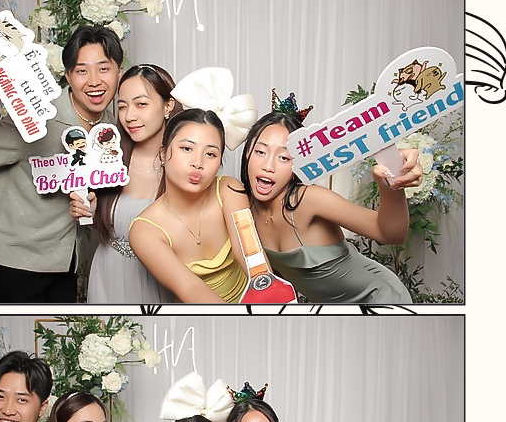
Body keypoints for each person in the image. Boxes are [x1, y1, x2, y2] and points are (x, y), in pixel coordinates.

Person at [0, 25, 124, 302]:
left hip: (64, 262)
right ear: (68, 75)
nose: (94, 81)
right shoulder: (37, 113)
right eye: (82, 71)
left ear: (119, 72)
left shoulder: (110, 126)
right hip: (10, 259)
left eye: (104, 69)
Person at [240, 111, 424, 312]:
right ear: (248, 152)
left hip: (380, 300)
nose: (268, 166)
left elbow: (392, 234)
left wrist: (392, 182)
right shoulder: (243, 209)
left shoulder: (309, 199)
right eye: (260, 152)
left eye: (284, 157)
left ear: (298, 163)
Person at [75, 65, 181, 312]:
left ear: (168, 105)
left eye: (141, 104)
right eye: (122, 106)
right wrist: (90, 211)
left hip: (161, 277)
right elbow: (107, 221)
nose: (129, 116)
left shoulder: (185, 162)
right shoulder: (108, 159)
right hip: (108, 273)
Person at [129, 110, 249, 303]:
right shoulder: (144, 230)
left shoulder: (230, 190)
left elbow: (253, 259)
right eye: (186, 149)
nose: (198, 163)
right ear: (163, 154)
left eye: (210, 154)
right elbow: (190, 288)